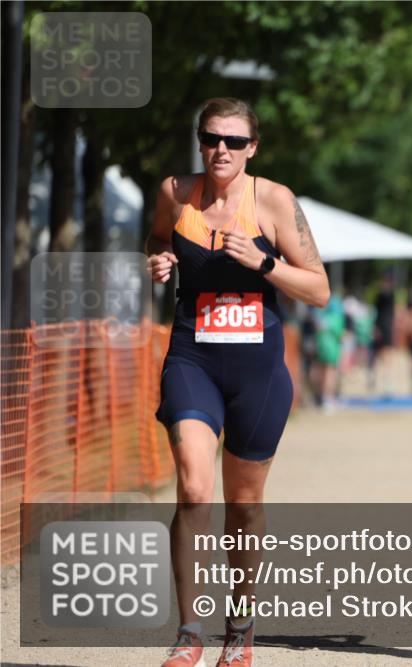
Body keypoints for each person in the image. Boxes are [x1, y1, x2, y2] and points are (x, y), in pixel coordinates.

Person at [146, 97, 330, 667]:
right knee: (194, 490)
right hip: (193, 358)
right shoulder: (174, 193)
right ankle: (189, 630)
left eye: (232, 141)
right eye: (210, 138)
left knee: (243, 505)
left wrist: (264, 263)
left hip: (257, 372)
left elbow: (319, 290)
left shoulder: (274, 202)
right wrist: (156, 261)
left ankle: (240, 623)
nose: (219, 150)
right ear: (199, 141)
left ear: (252, 148)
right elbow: (155, 239)